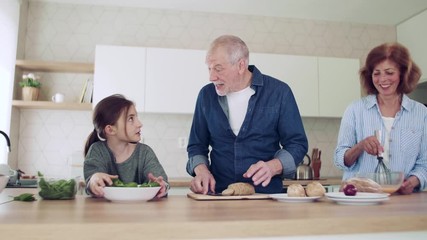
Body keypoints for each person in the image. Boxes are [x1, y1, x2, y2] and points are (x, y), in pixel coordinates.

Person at [186, 35, 308, 194]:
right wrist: (202, 171)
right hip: (219, 195)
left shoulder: (279, 92)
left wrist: (274, 166)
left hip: (266, 195)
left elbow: (297, 144)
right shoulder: (206, 95)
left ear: (241, 65)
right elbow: (196, 145)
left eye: (218, 68)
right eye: (209, 68)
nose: (211, 77)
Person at [334, 42, 427, 194]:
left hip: (402, 201)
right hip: (361, 198)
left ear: (403, 74)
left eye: (389, 72)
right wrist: (360, 146)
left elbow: (425, 163)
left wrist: (414, 180)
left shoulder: (422, 114)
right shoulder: (355, 110)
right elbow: (340, 159)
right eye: (376, 73)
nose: (382, 79)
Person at [84, 94, 169, 198]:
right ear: (110, 129)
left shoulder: (144, 152)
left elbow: (162, 182)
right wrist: (94, 180)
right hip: (105, 212)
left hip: (141, 211)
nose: (139, 124)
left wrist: (162, 185)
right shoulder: (97, 151)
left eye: (136, 117)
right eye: (130, 119)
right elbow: (91, 183)